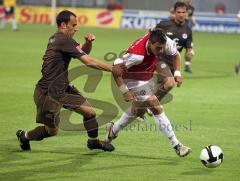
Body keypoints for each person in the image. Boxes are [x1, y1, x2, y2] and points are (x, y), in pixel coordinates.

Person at [16, 10, 116, 152]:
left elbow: (82, 51)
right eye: (73, 25)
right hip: (48, 93)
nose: (76, 28)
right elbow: (88, 61)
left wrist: (88, 44)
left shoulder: (60, 39)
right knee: (51, 131)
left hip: (62, 88)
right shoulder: (63, 40)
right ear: (63, 25)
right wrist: (112, 69)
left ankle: (93, 142)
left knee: (90, 112)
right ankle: (24, 136)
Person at [105, 28, 191, 157]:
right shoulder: (136, 55)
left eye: (163, 48)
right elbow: (116, 70)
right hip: (132, 78)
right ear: (150, 43)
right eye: (158, 48)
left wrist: (177, 72)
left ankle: (113, 129)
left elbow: (175, 55)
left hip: (146, 73)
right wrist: (124, 91)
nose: (161, 51)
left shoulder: (163, 41)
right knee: (155, 105)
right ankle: (177, 145)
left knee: (137, 111)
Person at [157, 1, 194, 74]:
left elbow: (189, 48)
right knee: (169, 82)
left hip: (174, 62)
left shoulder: (188, 30)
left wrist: (189, 53)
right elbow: (150, 35)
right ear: (174, 13)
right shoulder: (164, 24)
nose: (181, 15)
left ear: (187, 13)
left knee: (169, 84)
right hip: (160, 59)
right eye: (179, 12)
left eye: (183, 12)